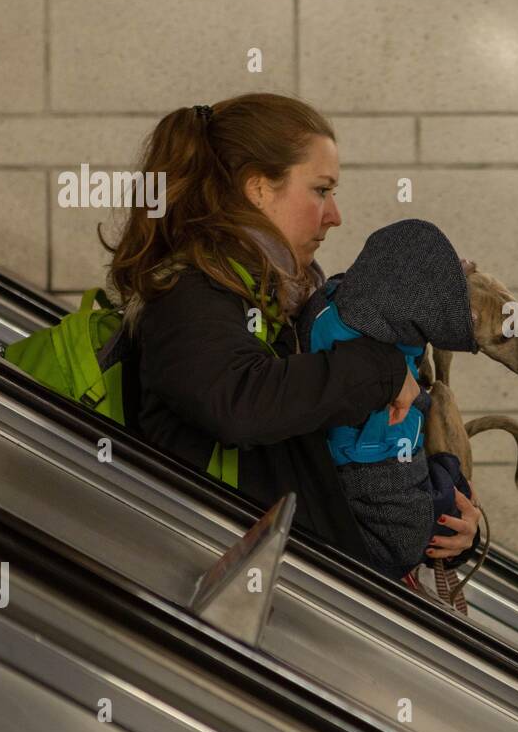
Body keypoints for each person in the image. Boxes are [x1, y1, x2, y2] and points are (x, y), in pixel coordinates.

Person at [105, 92, 481, 580]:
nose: (335, 215)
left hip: (322, 580)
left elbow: (335, 459)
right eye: (321, 190)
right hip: (264, 588)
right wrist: (380, 370)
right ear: (258, 189)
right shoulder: (189, 297)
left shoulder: (294, 297)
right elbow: (240, 403)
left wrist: (439, 520)